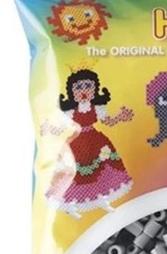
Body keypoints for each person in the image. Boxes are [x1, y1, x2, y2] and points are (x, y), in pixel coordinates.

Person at [42, 68, 133, 218]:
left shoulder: (97, 108)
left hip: (96, 143)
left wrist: (120, 117)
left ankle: (103, 198)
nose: (84, 91)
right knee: (75, 173)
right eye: (78, 87)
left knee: (103, 170)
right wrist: (50, 129)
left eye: (88, 86)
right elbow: (63, 128)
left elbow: (108, 121)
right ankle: (71, 203)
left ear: (94, 89)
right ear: (71, 91)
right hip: (76, 144)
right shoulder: (70, 112)